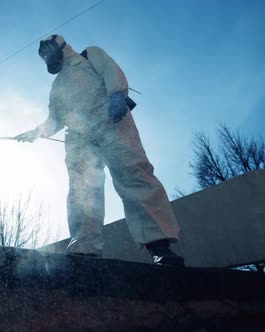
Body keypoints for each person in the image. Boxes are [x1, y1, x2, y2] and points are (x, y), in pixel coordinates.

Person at [15, 35, 184, 266]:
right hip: (79, 138)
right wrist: (35, 133)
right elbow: (55, 119)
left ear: (60, 45)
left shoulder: (89, 56)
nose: (47, 56)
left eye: (49, 50)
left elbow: (112, 71)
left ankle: (159, 246)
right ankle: (84, 247)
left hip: (111, 121)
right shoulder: (56, 86)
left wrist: (117, 94)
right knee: (82, 190)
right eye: (43, 55)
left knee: (133, 174)